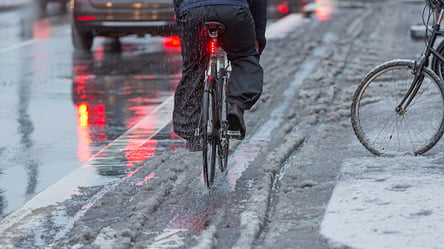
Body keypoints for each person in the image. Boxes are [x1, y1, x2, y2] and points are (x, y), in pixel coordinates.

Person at [172, 0, 267, 151]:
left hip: (194, 12)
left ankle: (190, 129)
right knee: (244, 57)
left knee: (194, 67)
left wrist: (183, 19)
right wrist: (258, 39)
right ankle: (236, 105)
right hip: (234, 11)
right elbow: (258, 4)